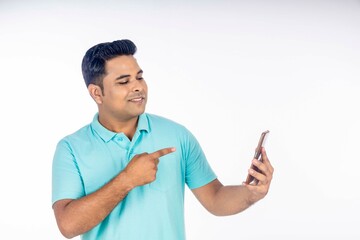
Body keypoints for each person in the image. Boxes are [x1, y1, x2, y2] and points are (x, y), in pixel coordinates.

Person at [52, 39, 274, 240]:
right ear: (96, 93)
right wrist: (127, 179)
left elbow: (215, 199)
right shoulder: (71, 148)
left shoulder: (177, 135)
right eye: (123, 81)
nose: (138, 86)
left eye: (139, 77)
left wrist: (252, 193)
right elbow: (68, 226)